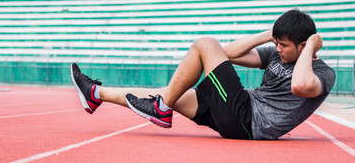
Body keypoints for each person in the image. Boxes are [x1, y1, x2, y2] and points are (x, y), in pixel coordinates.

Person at [70, 9, 335, 140]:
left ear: (302, 45)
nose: (277, 49)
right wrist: (273, 33)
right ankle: (96, 94)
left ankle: (160, 109)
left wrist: (310, 44)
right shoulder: (276, 53)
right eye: (276, 43)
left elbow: (300, 85)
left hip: (248, 120)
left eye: (283, 45)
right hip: (236, 113)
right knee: (172, 93)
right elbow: (229, 52)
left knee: (205, 43)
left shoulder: (323, 73)